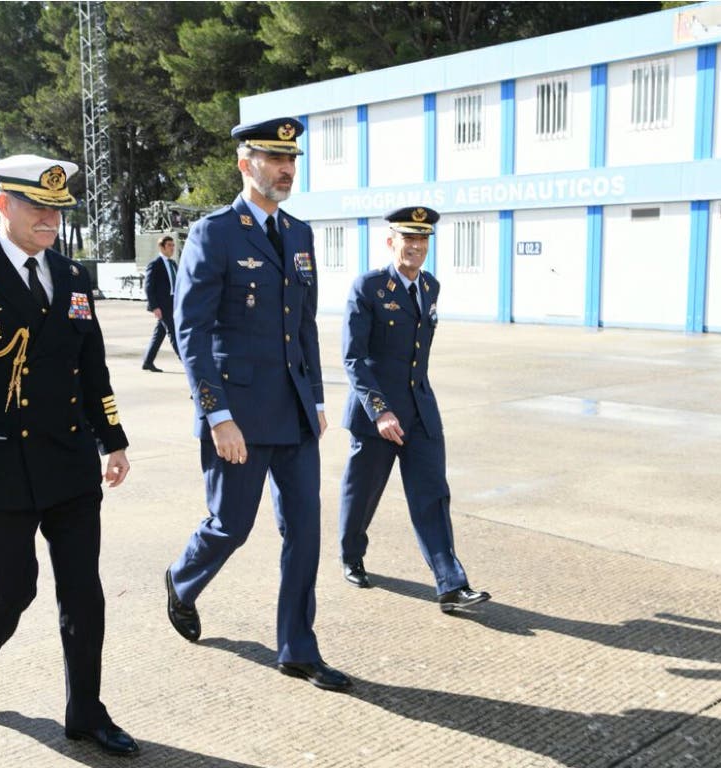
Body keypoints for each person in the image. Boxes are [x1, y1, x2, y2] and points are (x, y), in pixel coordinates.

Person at [0, 154, 139, 756]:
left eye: (58, 208)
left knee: (83, 595)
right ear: (2, 206)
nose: (50, 218)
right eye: (37, 206)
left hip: (68, 460)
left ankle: (86, 711)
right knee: (10, 589)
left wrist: (111, 438)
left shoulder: (70, 275)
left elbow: (90, 365)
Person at [164, 118, 351, 692]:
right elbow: (190, 330)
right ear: (246, 164)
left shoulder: (299, 233)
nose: (286, 168)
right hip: (238, 415)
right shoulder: (215, 232)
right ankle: (181, 581)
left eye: (291, 158)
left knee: (304, 532)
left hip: (294, 411)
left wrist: (315, 396)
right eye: (274, 158)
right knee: (231, 526)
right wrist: (216, 413)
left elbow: (305, 324)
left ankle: (297, 648)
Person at [338, 206, 491, 613]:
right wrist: (380, 410)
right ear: (392, 242)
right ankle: (351, 554)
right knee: (363, 494)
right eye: (409, 239)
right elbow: (353, 358)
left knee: (433, 495)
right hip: (378, 415)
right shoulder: (367, 287)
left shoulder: (430, 286)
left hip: (421, 409)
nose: (417, 247)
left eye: (423, 240)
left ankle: (451, 585)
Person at [141, 235, 181, 372]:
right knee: (174, 333)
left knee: (159, 333)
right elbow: (148, 287)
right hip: (162, 306)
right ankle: (185, 360)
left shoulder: (173, 264)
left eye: (173, 245)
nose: (172, 248)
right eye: (169, 245)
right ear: (162, 247)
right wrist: (155, 307)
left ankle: (147, 361)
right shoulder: (155, 264)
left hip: (173, 303)